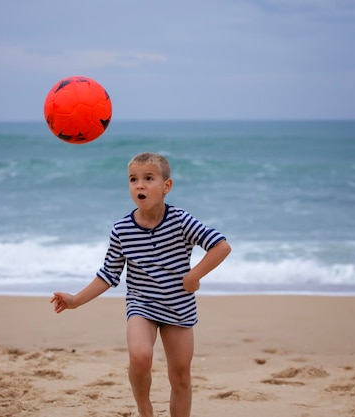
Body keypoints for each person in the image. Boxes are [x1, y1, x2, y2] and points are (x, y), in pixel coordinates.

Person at [51, 152, 231, 417]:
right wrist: (75, 300)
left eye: (148, 178)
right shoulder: (122, 229)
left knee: (180, 375)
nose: (139, 185)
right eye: (133, 179)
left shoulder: (181, 221)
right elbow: (108, 274)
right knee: (139, 356)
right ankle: (144, 409)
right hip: (141, 304)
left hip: (178, 305)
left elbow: (221, 246)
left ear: (166, 186)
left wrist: (195, 275)